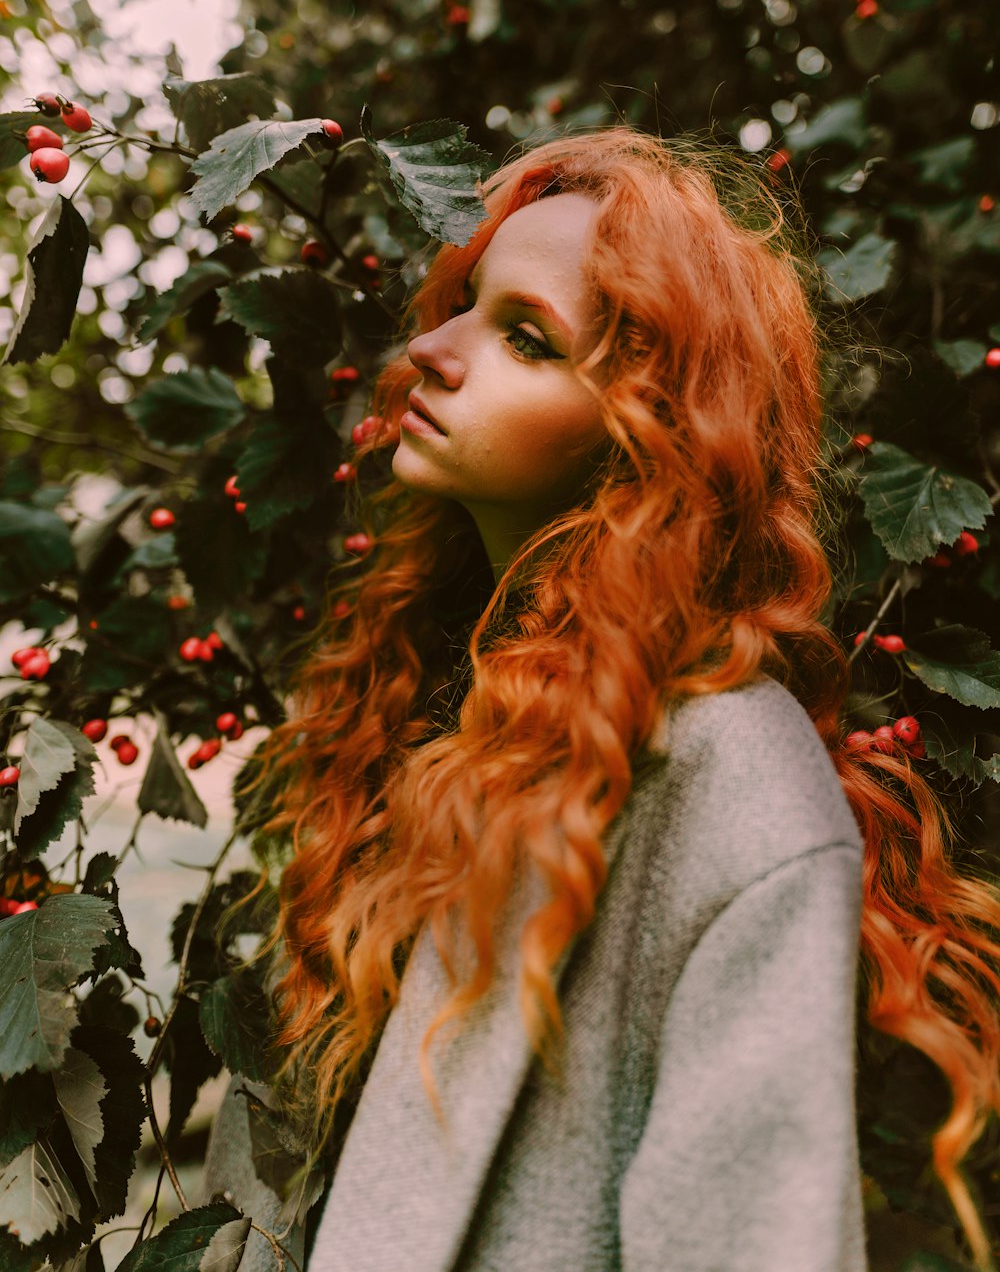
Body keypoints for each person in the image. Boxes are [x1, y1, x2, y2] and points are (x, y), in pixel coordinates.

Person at [201, 125, 1000, 1272]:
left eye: (525, 338)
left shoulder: (732, 783)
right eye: (465, 302)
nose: (430, 347)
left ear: (649, 437)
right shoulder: (419, 699)